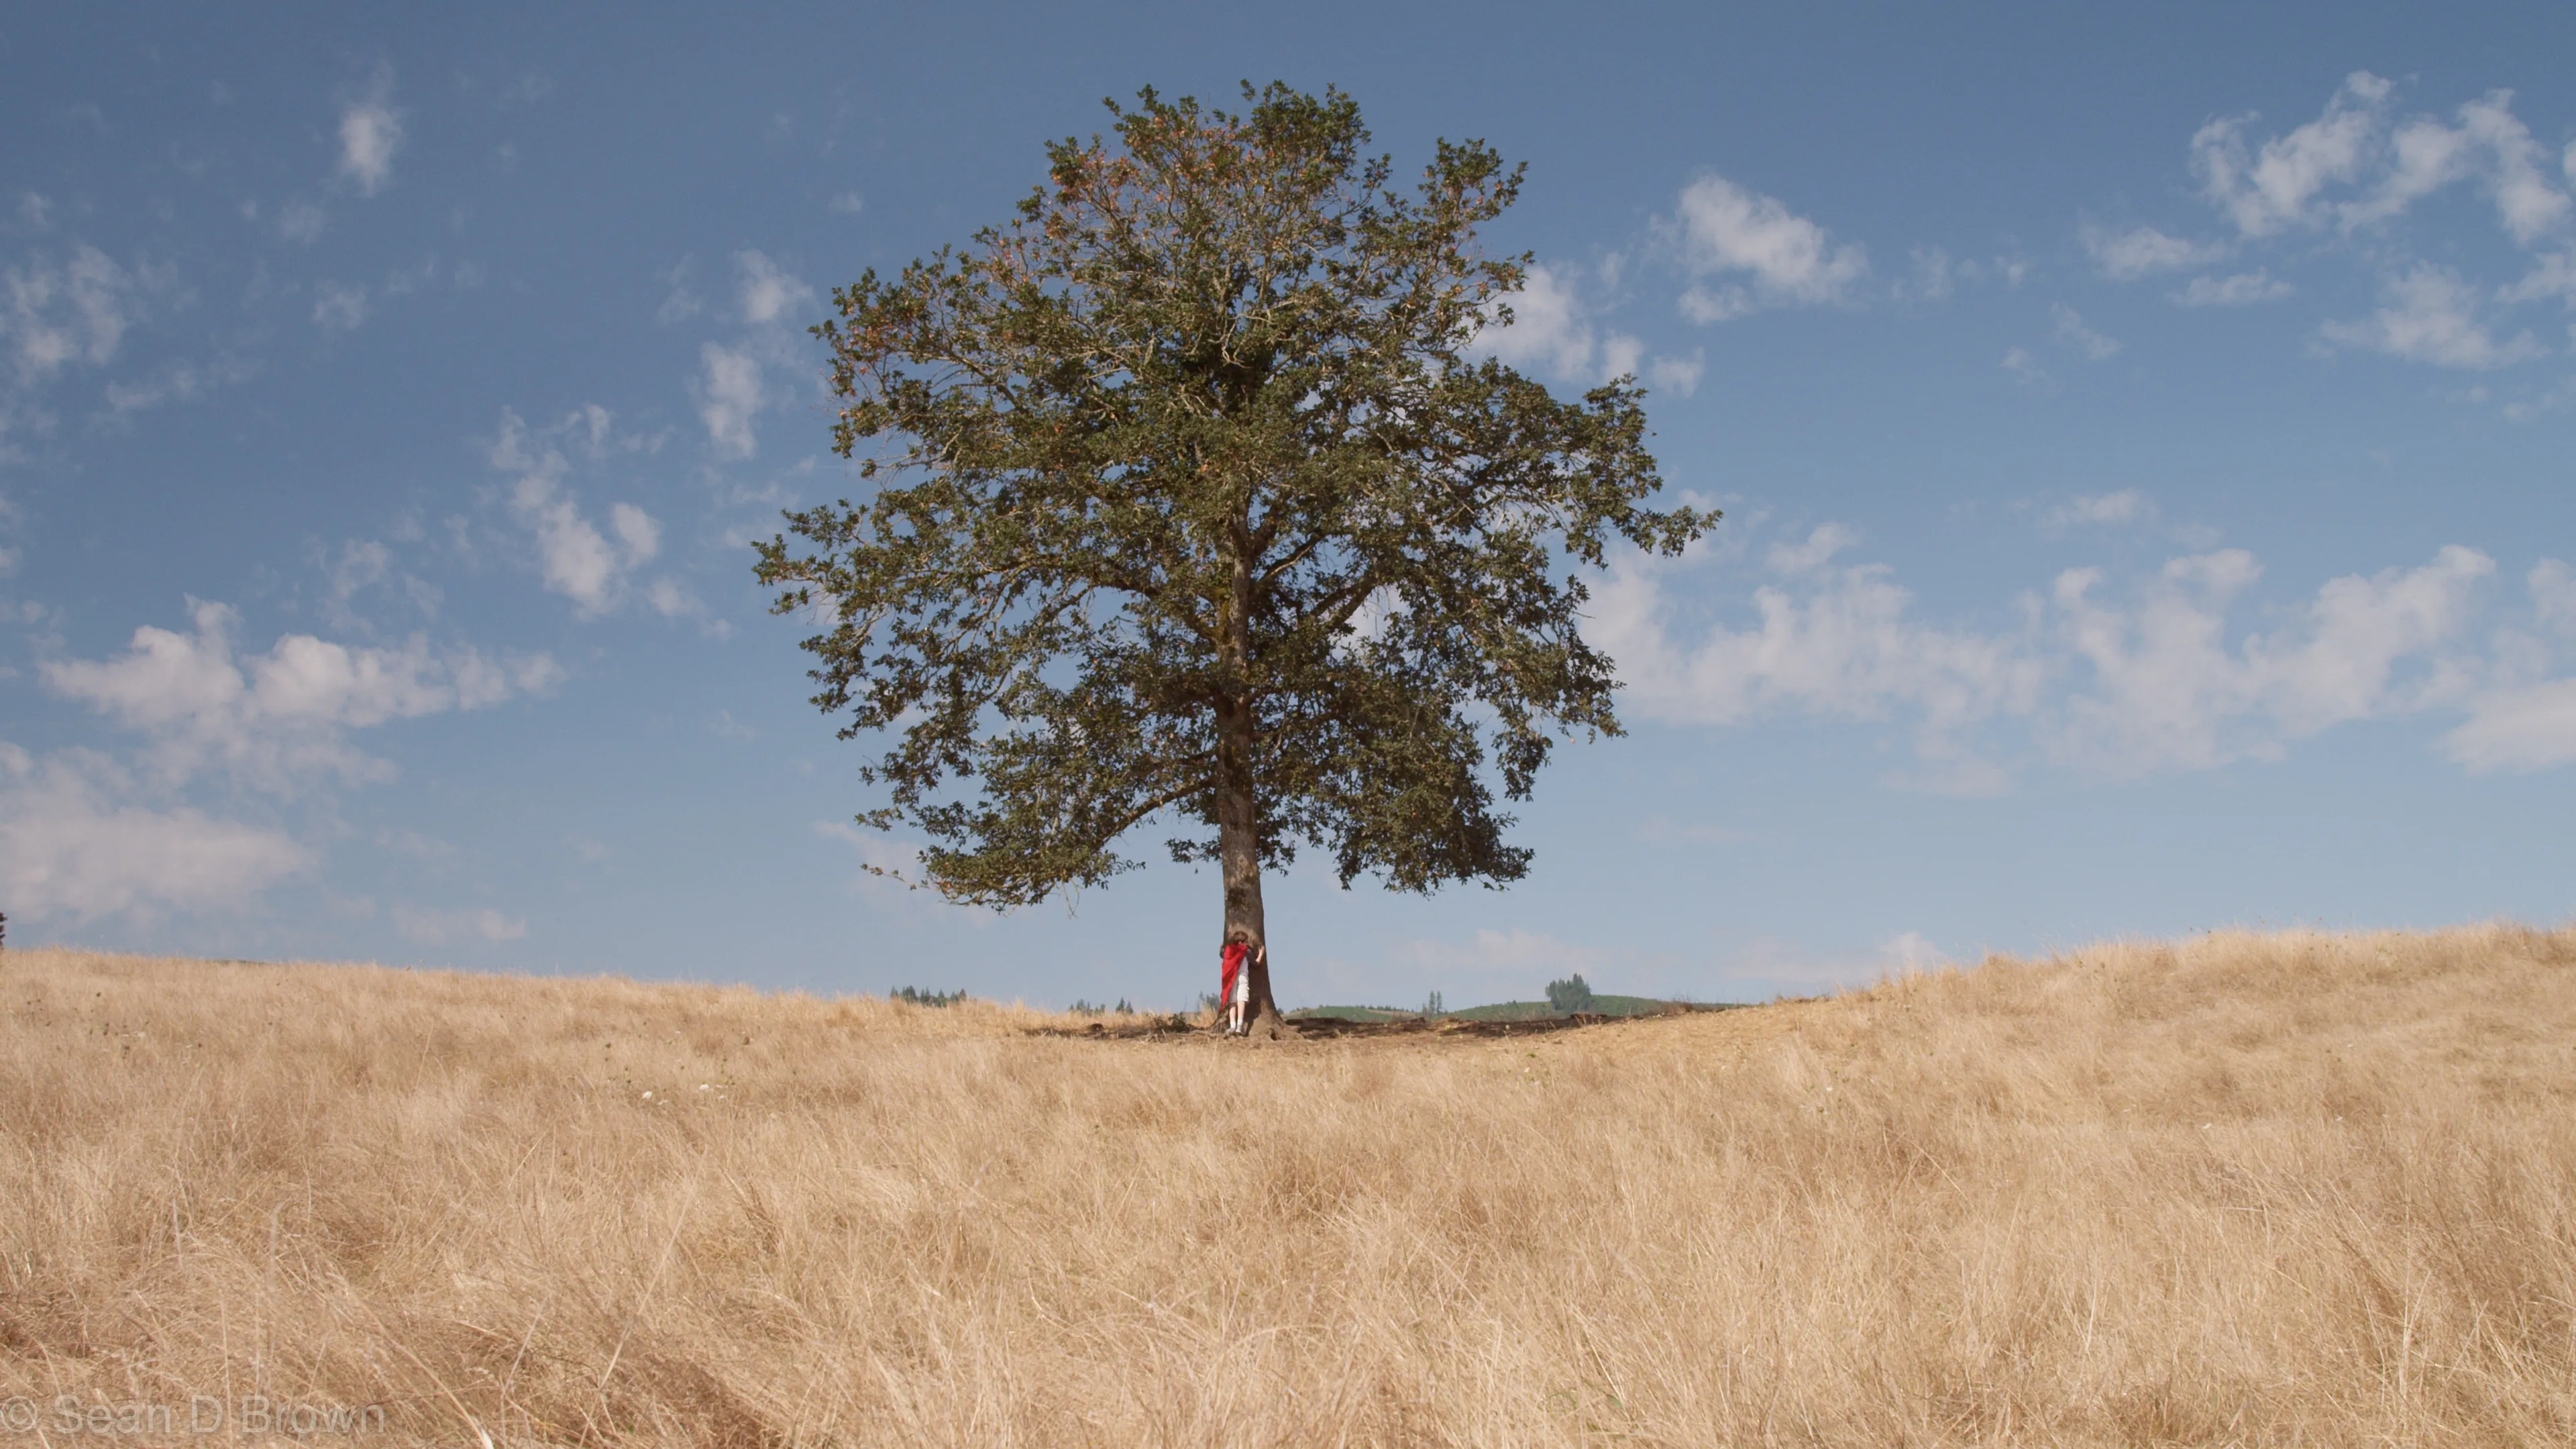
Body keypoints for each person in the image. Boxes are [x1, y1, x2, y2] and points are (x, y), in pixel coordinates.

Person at [1218, 928, 1262, 1035]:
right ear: (1243, 942)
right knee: (1241, 1000)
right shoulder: (1246, 951)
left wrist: (1222, 946)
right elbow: (1256, 964)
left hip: (1231, 979)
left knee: (1232, 1001)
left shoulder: (1229, 951)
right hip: (1242, 977)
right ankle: (1239, 1026)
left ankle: (1232, 1026)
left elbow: (1221, 954)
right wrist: (1261, 953)